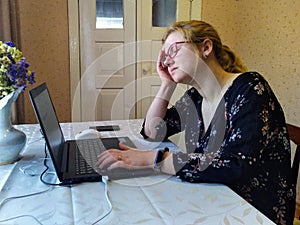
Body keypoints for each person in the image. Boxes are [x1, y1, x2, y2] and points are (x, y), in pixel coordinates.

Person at [96, 20, 296, 225]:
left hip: (253, 211)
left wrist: (153, 159)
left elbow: (234, 166)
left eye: (173, 50)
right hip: (214, 196)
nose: (165, 61)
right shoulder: (195, 98)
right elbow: (154, 132)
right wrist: (166, 85)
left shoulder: (251, 90)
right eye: (164, 55)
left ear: (206, 48)